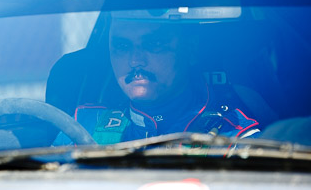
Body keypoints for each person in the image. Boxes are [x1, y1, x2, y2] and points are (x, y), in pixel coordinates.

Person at [50, 10, 261, 145]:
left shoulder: (234, 137)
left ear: (191, 50)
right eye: (122, 46)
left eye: (154, 44)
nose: (135, 61)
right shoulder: (83, 126)